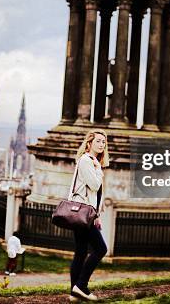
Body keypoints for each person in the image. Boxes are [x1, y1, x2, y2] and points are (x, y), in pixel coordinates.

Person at [69, 129, 109, 302]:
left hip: (88, 213)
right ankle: (81, 285)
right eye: (98, 141)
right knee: (101, 249)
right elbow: (93, 185)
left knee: (80, 252)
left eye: (104, 142)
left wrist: (97, 215)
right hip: (83, 213)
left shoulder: (92, 162)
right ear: (89, 143)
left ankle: (74, 294)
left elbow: (96, 196)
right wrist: (98, 168)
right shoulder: (87, 161)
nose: (101, 144)